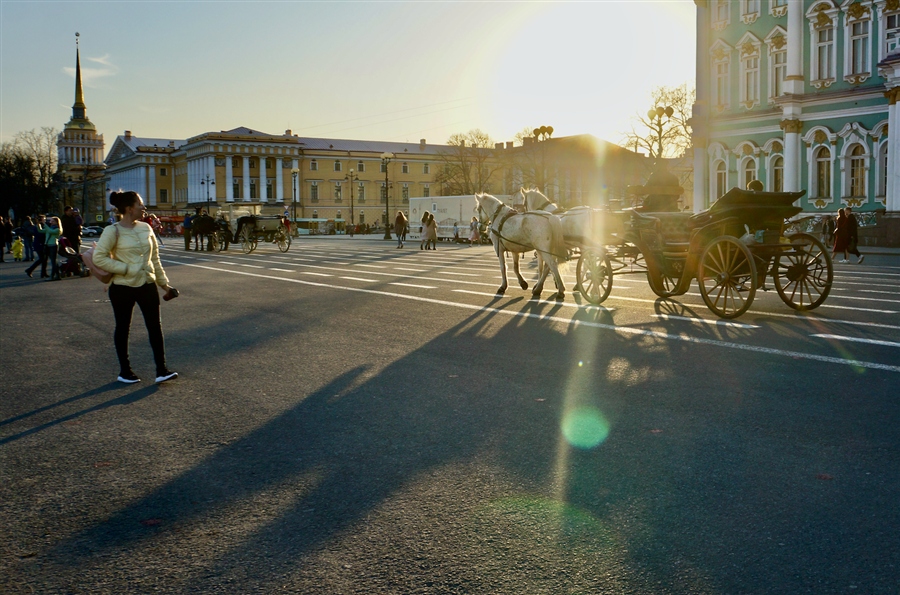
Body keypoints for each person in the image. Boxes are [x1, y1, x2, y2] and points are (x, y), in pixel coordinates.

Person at [93, 191, 178, 384]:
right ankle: (125, 371)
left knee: (155, 327)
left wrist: (164, 285)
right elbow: (99, 258)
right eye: (140, 204)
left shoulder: (146, 228)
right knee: (123, 328)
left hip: (146, 284)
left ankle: (161, 370)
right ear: (130, 208)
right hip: (122, 287)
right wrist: (125, 268)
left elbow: (155, 259)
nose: (144, 207)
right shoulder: (112, 231)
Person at [42, 216, 62, 280]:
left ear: (57, 222)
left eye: (53, 221)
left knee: (53, 262)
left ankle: (52, 276)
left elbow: (50, 231)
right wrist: (38, 224)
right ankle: (58, 275)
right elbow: (41, 231)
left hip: (53, 245)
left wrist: (44, 224)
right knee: (54, 262)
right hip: (48, 245)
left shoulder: (57, 229)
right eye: (51, 221)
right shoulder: (50, 227)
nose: (51, 222)